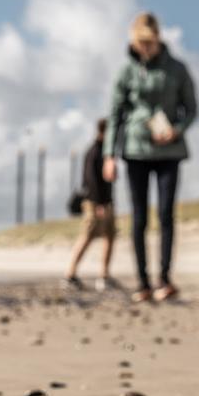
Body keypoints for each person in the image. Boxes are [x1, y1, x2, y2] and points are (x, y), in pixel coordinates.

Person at [103, 11, 197, 304]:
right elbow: (115, 115)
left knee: (166, 214)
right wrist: (109, 155)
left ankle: (164, 278)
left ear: (158, 39)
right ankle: (142, 281)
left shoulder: (177, 69)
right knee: (139, 217)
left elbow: (191, 109)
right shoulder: (125, 72)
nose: (146, 48)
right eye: (141, 43)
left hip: (169, 150)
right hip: (135, 151)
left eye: (150, 42)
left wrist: (177, 130)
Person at [65, 119, 118, 291]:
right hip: (95, 203)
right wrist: (99, 203)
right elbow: (91, 180)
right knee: (87, 236)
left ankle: (104, 275)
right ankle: (70, 274)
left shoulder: (105, 152)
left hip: (106, 202)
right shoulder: (94, 151)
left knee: (109, 237)